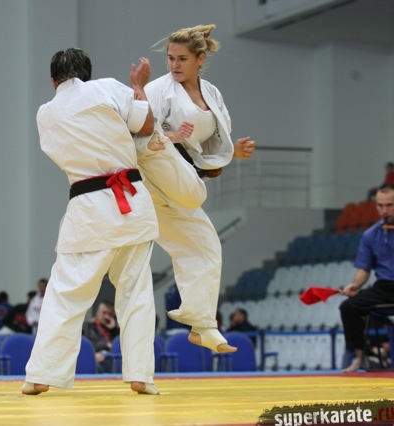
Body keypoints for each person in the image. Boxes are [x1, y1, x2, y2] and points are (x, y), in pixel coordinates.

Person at [22, 48, 164, 396]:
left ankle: (42, 374)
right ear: (87, 73)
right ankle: (141, 375)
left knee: (66, 293)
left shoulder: (46, 113)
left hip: (88, 209)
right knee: (135, 291)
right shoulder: (108, 88)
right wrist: (139, 88)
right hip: (131, 202)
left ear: (53, 80)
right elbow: (146, 126)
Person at [139, 24, 256, 353]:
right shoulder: (158, 89)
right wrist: (171, 137)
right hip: (153, 171)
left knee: (206, 245)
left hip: (181, 180)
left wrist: (234, 152)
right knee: (193, 197)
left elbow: (211, 144)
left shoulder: (212, 94)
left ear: (200, 59)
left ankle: (202, 325)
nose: (174, 65)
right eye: (170, 58)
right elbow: (137, 133)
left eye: (182, 59)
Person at [340, 184, 394, 372]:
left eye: (389, 205)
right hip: (385, 287)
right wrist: (355, 285)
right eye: (380, 205)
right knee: (348, 307)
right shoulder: (370, 235)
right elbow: (364, 268)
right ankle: (359, 358)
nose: (384, 210)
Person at [82, 301, 120, 373]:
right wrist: (93, 355)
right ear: (97, 312)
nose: (106, 317)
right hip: (95, 359)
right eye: (104, 313)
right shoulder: (87, 328)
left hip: (111, 360)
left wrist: (114, 330)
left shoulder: (115, 331)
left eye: (110, 314)